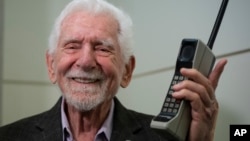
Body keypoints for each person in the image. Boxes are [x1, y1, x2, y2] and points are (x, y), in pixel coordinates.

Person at [0, 0, 227, 140]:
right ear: (51, 66)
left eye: (102, 48)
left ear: (127, 70)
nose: (86, 61)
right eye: (72, 46)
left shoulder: (162, 139)